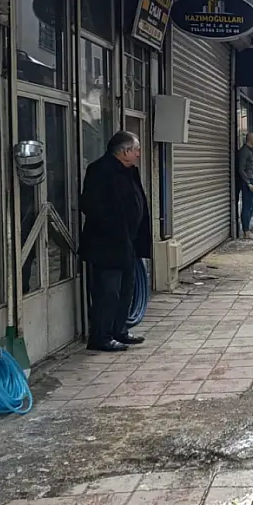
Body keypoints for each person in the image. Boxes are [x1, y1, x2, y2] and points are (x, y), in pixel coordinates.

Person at [80, 131, 151, 352]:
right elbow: (91, 206)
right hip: (107, 245)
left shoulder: (129, 171)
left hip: (128, 244)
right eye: (136, 150)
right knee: (107, 292)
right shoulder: (100, 170)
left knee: (126, 289)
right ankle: (101, 336)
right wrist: (114, 230)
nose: (138, 154)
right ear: (124, 151)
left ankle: (120, 330)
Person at [236, 133, 253, 239]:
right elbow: (241, 169)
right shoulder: (245, 151)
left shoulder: (250, 151)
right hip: (247, 182)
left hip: (250, 180)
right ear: (250, 139)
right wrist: (248, 182)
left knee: (250, 206)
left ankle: (247, 230)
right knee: (247, 206)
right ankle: (246, 231)